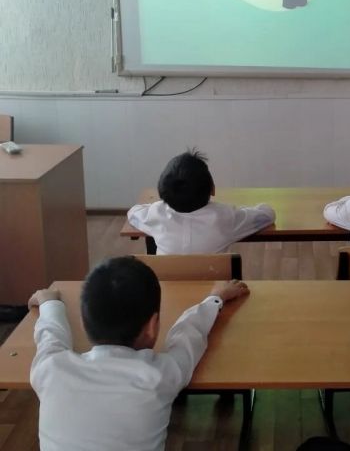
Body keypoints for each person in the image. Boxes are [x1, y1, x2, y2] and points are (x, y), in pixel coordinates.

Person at [29, 256, 249, 451]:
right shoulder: (160, 376)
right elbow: (189, 334)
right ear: (152, 326)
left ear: (83, 322)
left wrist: (50, 302)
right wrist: (215, 298)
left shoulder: (50, 370)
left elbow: (50, 335)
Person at [128, 150, 276, 254]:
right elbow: (266, 215)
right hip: (217, 289)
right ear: (212, 189)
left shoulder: (156, 214)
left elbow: (133, 213)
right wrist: (250, 208)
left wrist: (157, 206)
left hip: (167, 288)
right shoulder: (225, 217)